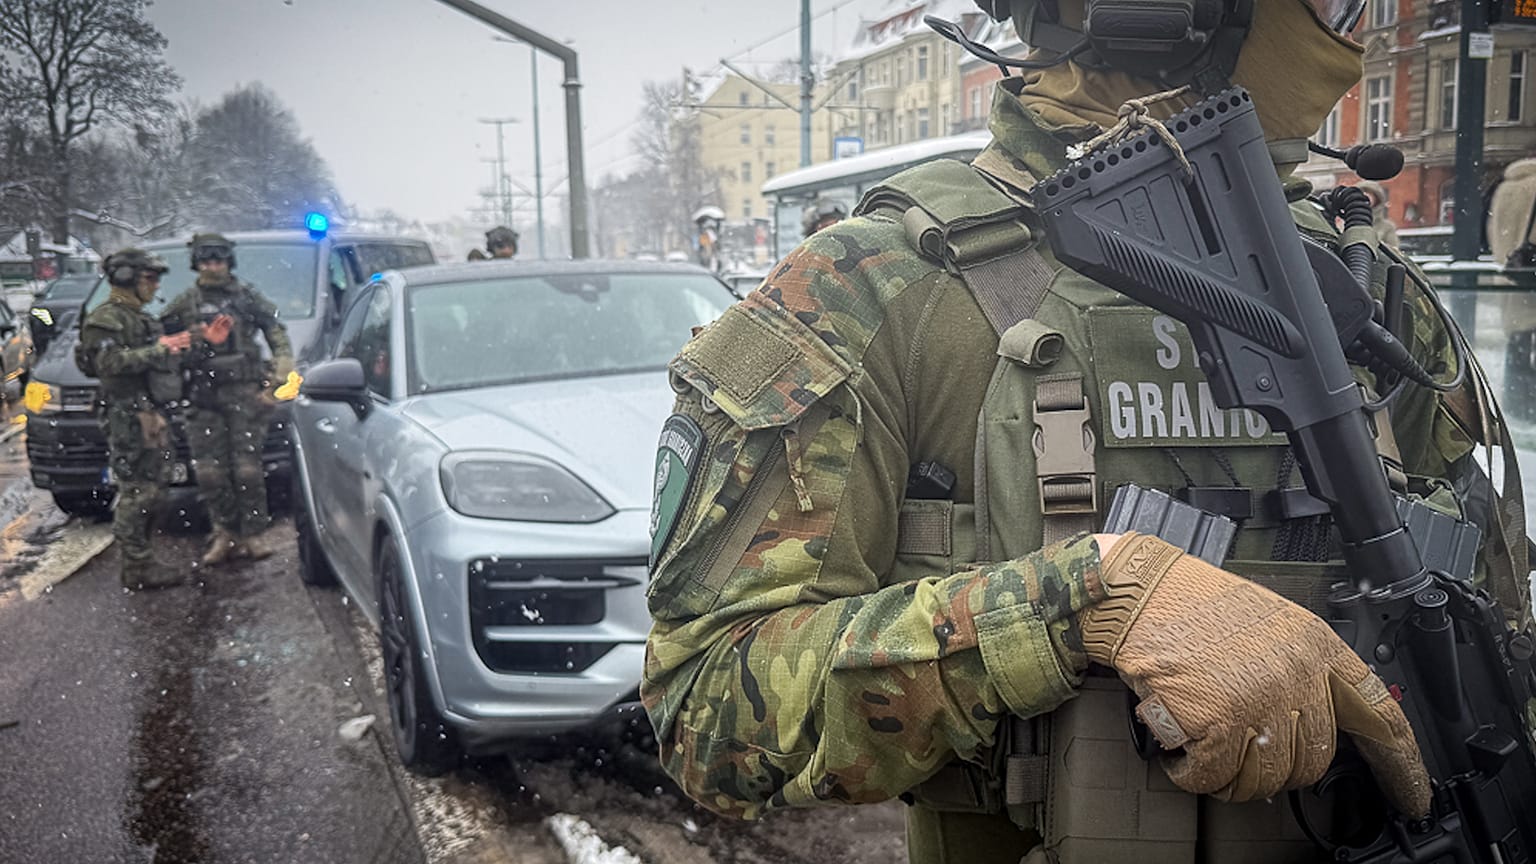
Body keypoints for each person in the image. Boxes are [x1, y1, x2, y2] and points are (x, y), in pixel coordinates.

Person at [643, 2, 1521, 861]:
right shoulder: (875, 287)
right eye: (1328, 0)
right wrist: (1078, 608)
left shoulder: (1363, 282)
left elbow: (1500, 624)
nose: (1349, 35)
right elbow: (708, 709)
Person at [161, 233, 294, 566]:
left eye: (218, 260)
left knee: (248, 469)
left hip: (244, 395)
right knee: (209, 473)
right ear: (196, 264)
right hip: (203, 397)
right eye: (206, 261)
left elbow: (276, 330)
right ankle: (224, 531)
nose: (212, 267)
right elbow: (162, 341)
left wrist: (278, 377)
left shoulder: (247, 297)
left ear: (228, 261)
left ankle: (252, 532)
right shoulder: (185, 303)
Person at [75, 249, 192, 590]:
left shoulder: (137, 317)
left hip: (147, 413)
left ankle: (143, 559)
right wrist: (160, 350)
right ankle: (136, 566)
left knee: (154, 488)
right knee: (137, 491)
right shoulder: (106, 319)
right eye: (149, 278)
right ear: (127, 278)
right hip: (127, 415)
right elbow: (108, 364)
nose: (155, 286)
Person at [1489, 158, 1536, 421]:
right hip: (1532, 281)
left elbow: (1494, 236)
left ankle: (1517, 411)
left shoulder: (1505, 189)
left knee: (1517, 345)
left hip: (1510, 276)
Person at [1355, 179, 1399, 247]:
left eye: (1369, 193)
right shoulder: (1345, 224)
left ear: (1377, 199)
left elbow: (1393, 252)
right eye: (1362, 192)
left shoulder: (1386, 227)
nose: (1365, 196)